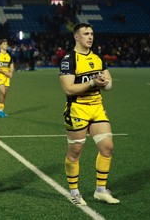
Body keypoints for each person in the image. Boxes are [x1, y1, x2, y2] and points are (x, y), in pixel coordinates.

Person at [59, 23, 119, 206]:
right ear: (76, 37)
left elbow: (109, 82)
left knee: (107, 147)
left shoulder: (97, 57)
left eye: (92, 33)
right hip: (77, 109)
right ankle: (74, 192)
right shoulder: (69, 59)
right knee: (75, 152)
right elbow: (68, 89)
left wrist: (104, 83)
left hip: (97, 108)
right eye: (86, 34)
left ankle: (101, 190)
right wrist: (93, 83)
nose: (90, 37)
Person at [0, 39, 14, 118]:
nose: (6, 45)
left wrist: (11, 73)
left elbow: (11, 65)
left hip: (7, 76)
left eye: (6, 44)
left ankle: (1, 110)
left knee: (4, 94)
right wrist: (5, 73)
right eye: (4, 44)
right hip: (0, 75)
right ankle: (0, 111)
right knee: (3, 92)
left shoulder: (9, 55)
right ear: (0, 45)